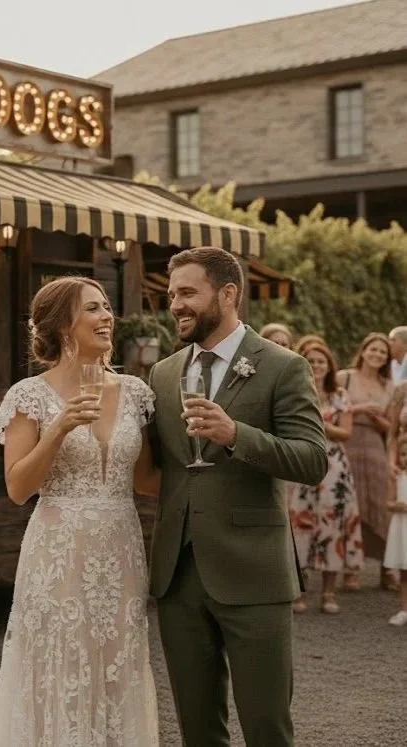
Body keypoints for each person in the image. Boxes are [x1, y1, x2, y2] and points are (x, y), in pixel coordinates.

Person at [147, 246, 327, 747]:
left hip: (254, 573)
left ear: (228, 294)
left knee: (266, 727)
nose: (175, 304)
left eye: (187, 292)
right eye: (171, 295)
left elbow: (313, 459)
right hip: (178, 576)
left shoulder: (283, 367)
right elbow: (153, 467)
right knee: (198, 730)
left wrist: (235, 435)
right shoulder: (162, 375)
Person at [0, 276, 161, 746]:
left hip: (119, 551)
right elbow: (18, 488)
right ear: (64, 325)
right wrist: (58, 429)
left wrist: (215, 471)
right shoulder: (29, 395)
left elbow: (145, 481)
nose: (107, 317)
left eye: (107, 308)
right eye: (94, 309)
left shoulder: (138, 393)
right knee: (59, 664)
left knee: (116, 664)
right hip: (58, 555)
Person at [289, 340, 364, 615]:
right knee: (299, 524)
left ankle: (330, 591)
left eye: (321, 360)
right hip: (301, 462)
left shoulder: (339, 394)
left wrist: (320, 422)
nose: (317, 365)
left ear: (329, 365)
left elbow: (346, 433)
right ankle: (299, 590)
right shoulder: (295, 391)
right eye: (310, 359)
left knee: (332, 525)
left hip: (334, 466)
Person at [336, 332, 395, 591]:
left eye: (383, 352)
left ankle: (387, 568)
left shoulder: (389, 387)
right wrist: (359, 409)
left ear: (387, 358)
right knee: (351, 508)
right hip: (347, 445)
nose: (377, 355)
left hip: (375, 449)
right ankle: (351, 570)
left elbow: (392, 427)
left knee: (381, 509)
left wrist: (375, 418)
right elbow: (330, 410)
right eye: (373, 349)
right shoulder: (344, 377)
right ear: (363, 350)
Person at [384, 436, 407, 626]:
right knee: (404, 571)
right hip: (403, 526)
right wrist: (395, 505)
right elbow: (389, 502)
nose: (406, 458)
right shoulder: (398, 477)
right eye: (403, 454)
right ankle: (404, 609)